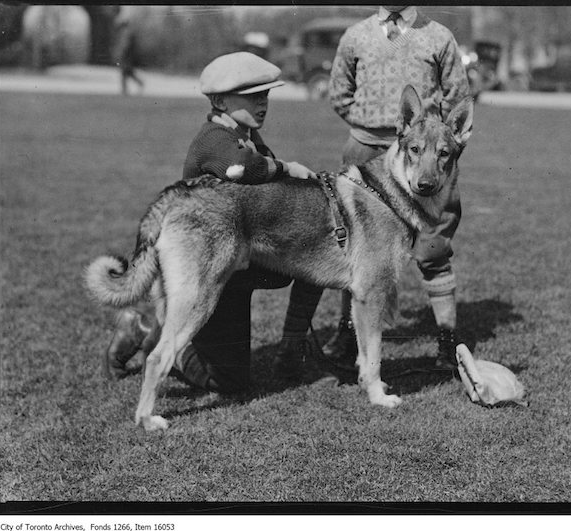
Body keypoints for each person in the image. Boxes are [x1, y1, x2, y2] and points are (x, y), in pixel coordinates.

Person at [104, 52, 324, 393]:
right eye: (252, 97)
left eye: (265, 95)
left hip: (242, 257)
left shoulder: (247, 133)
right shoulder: (215, 140)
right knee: (229, 385)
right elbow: (245, 169)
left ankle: (293, 347)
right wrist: (286, 167)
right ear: (220, 100)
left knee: (317, 257)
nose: (262, 104)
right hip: (208, 267)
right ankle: (148, 330)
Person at [325, 6, 471, 370]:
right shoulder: (356, 35)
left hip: (424, 157)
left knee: (433, 248)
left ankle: (446, 341)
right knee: (353, 251)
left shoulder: (438, 35)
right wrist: (374, 129)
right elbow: (339, 93)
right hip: (365, 150)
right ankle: (349, 335)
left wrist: (428, 143)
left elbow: (458, 98)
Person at [112, 15, 144, 96]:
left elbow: (125, 45)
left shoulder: (126, 32)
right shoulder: (127, 31)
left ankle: (125, 89)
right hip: (128, 56)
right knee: (127, 72)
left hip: (127, 56)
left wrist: (120, 54)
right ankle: (137, 84)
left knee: (125, 72)